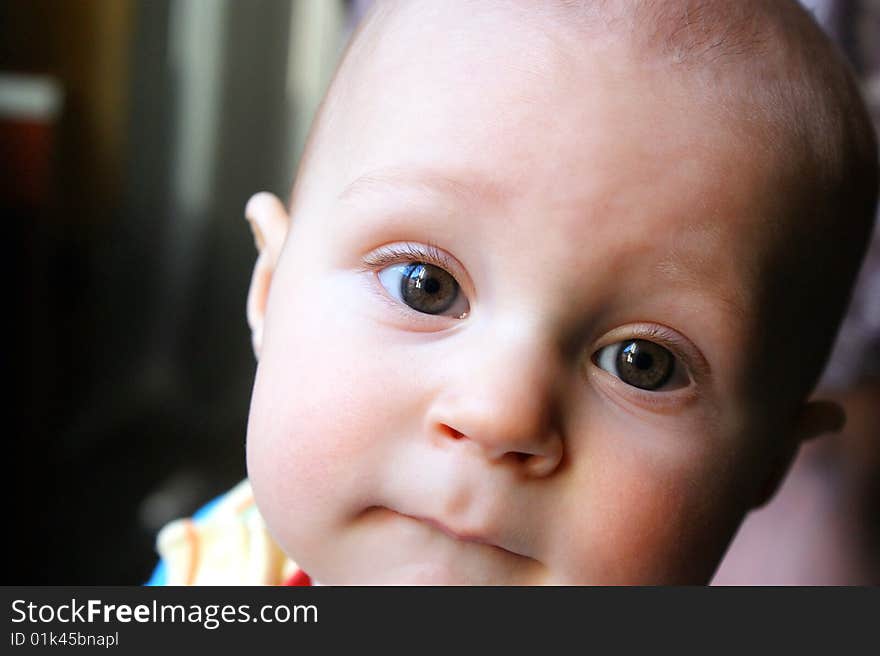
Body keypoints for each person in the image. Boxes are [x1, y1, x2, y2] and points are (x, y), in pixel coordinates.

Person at [148, 0, 878, 585]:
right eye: (425, 287)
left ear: (767, 462)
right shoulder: (215, 563)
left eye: (641, 363)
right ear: (270, 292)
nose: (501, 414)